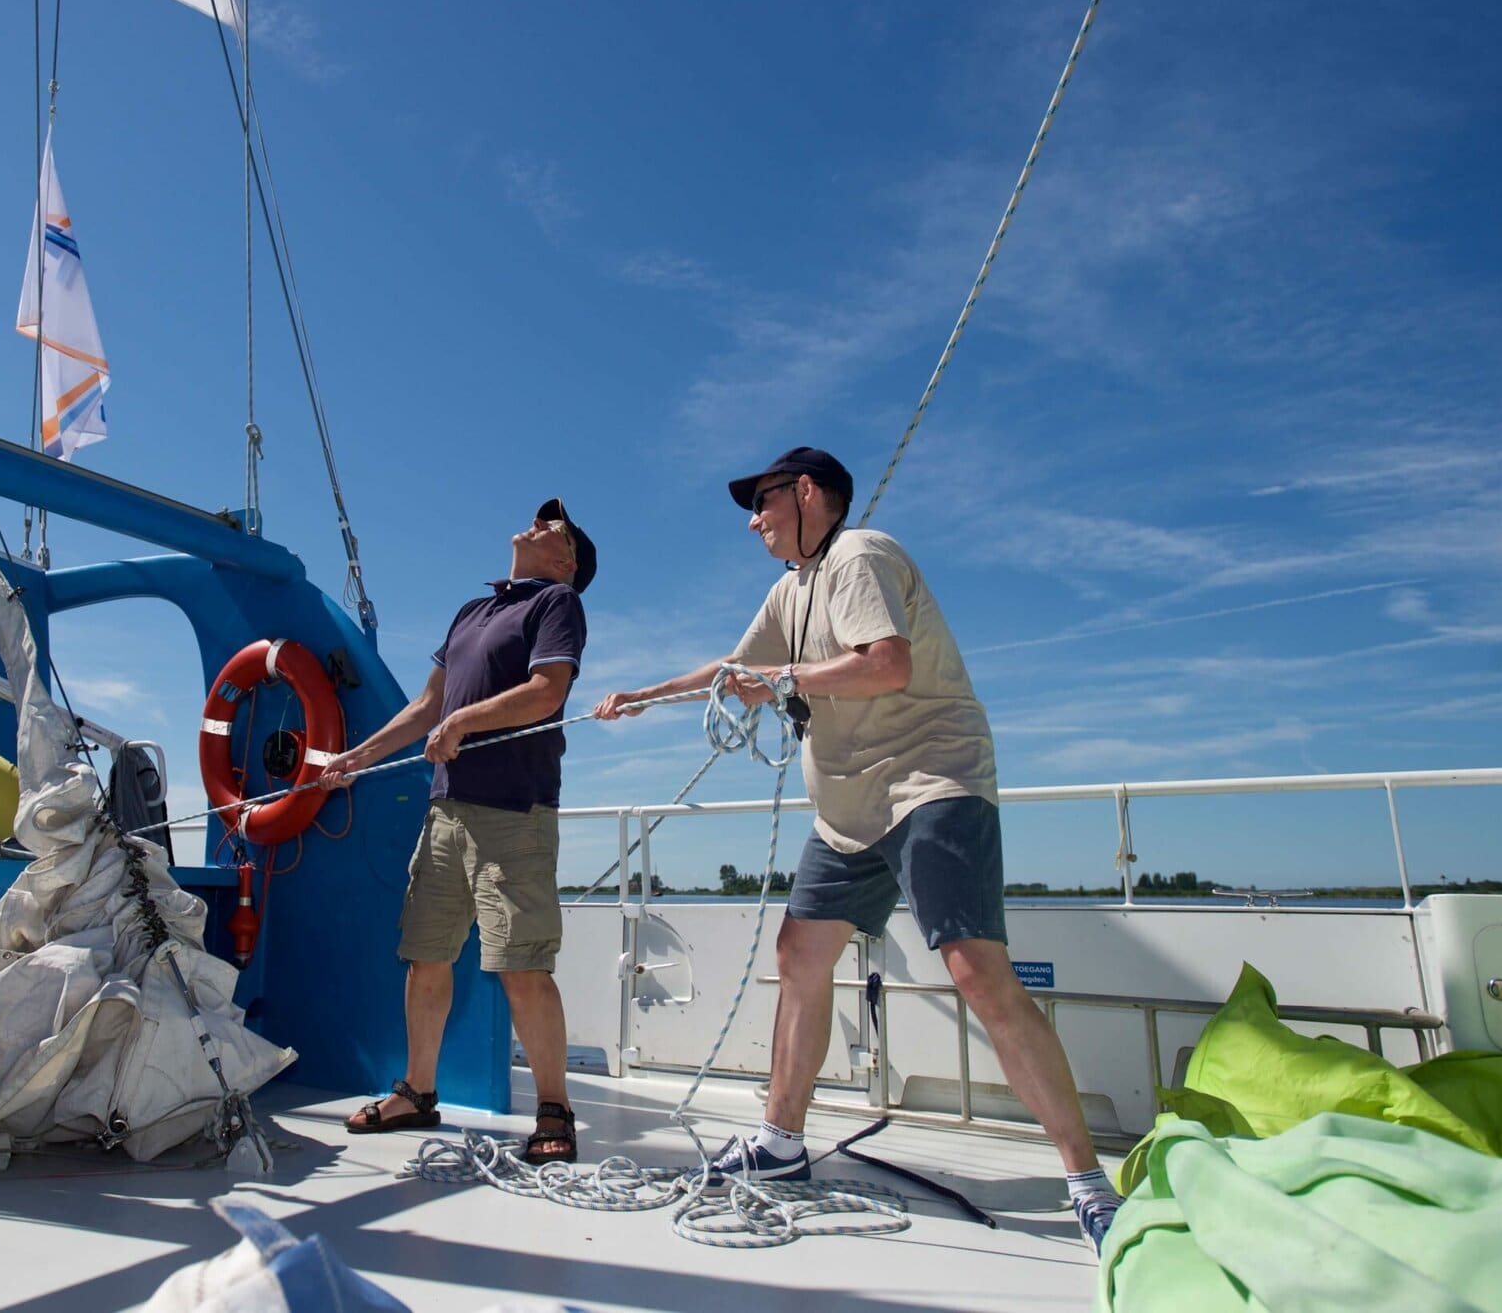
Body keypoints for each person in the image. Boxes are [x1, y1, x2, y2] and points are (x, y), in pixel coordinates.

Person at [594, 447, 1123, 1251]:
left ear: (807, 493)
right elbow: (736, 666)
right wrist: (645, 696)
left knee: (976, 968)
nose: (753, 517)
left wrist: (786, 682)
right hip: (845, 811)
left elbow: (887, 664)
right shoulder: (789, 589)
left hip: (929, 781)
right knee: (799, 953)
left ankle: (1088, 1182)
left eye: (764, 499)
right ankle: (780, 1143)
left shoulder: (859, 556)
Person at [319, 499, 597, 1164]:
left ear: (566, 562)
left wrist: (466, 722)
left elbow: (547, 691)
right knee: (426, 954)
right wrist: (358, 758)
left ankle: (554, 1109)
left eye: (551, 528)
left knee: (521, 965)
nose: (535, 524)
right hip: (446, 811)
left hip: (514, 812)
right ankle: (418, 1091)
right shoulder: (471, 613)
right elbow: (427, 706)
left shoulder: (556, 605)